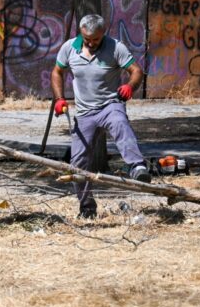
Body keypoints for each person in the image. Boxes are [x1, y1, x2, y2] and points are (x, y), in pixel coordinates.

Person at [51, 14, 151, 219]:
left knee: (120, 122)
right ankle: (87, 207)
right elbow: (57, 72)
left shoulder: (116, 47)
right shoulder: (69, 47)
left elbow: (137, 71)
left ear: (103, 33)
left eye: (95, 39)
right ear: (81, 32)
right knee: (77, 164)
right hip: (84, 112)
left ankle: (137, 165)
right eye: (87, 38)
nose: (90, 42)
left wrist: (130, 86)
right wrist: (60, 99)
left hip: (109, 105)